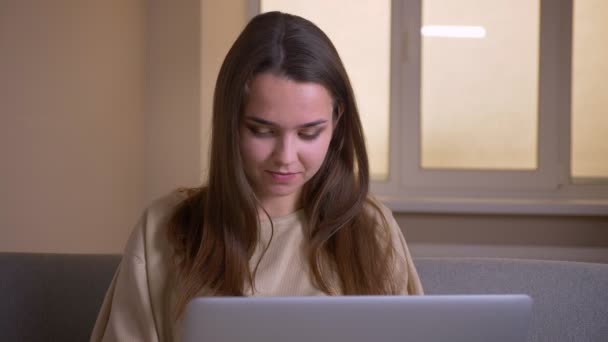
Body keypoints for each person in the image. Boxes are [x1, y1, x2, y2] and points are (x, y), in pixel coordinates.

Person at [90, 11, 423, 342]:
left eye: (309, 133)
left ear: (336, 121)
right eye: (262, 131)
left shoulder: (371, 227)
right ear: (230, 121)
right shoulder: (163, 227)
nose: (285, 157)